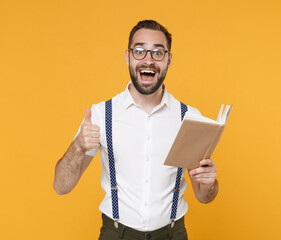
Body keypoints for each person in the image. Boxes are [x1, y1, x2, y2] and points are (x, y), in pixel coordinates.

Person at [53, 20, 218, 240]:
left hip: (172, 234)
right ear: (128, 57)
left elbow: (204, 196)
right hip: (116, 233)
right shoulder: (101, 114)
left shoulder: (190, 117)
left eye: (158, 53)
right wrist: (78, 147)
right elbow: (61, 186)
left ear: (169, 60)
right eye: (139, 51)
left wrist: (210, 183)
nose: (148, 60)